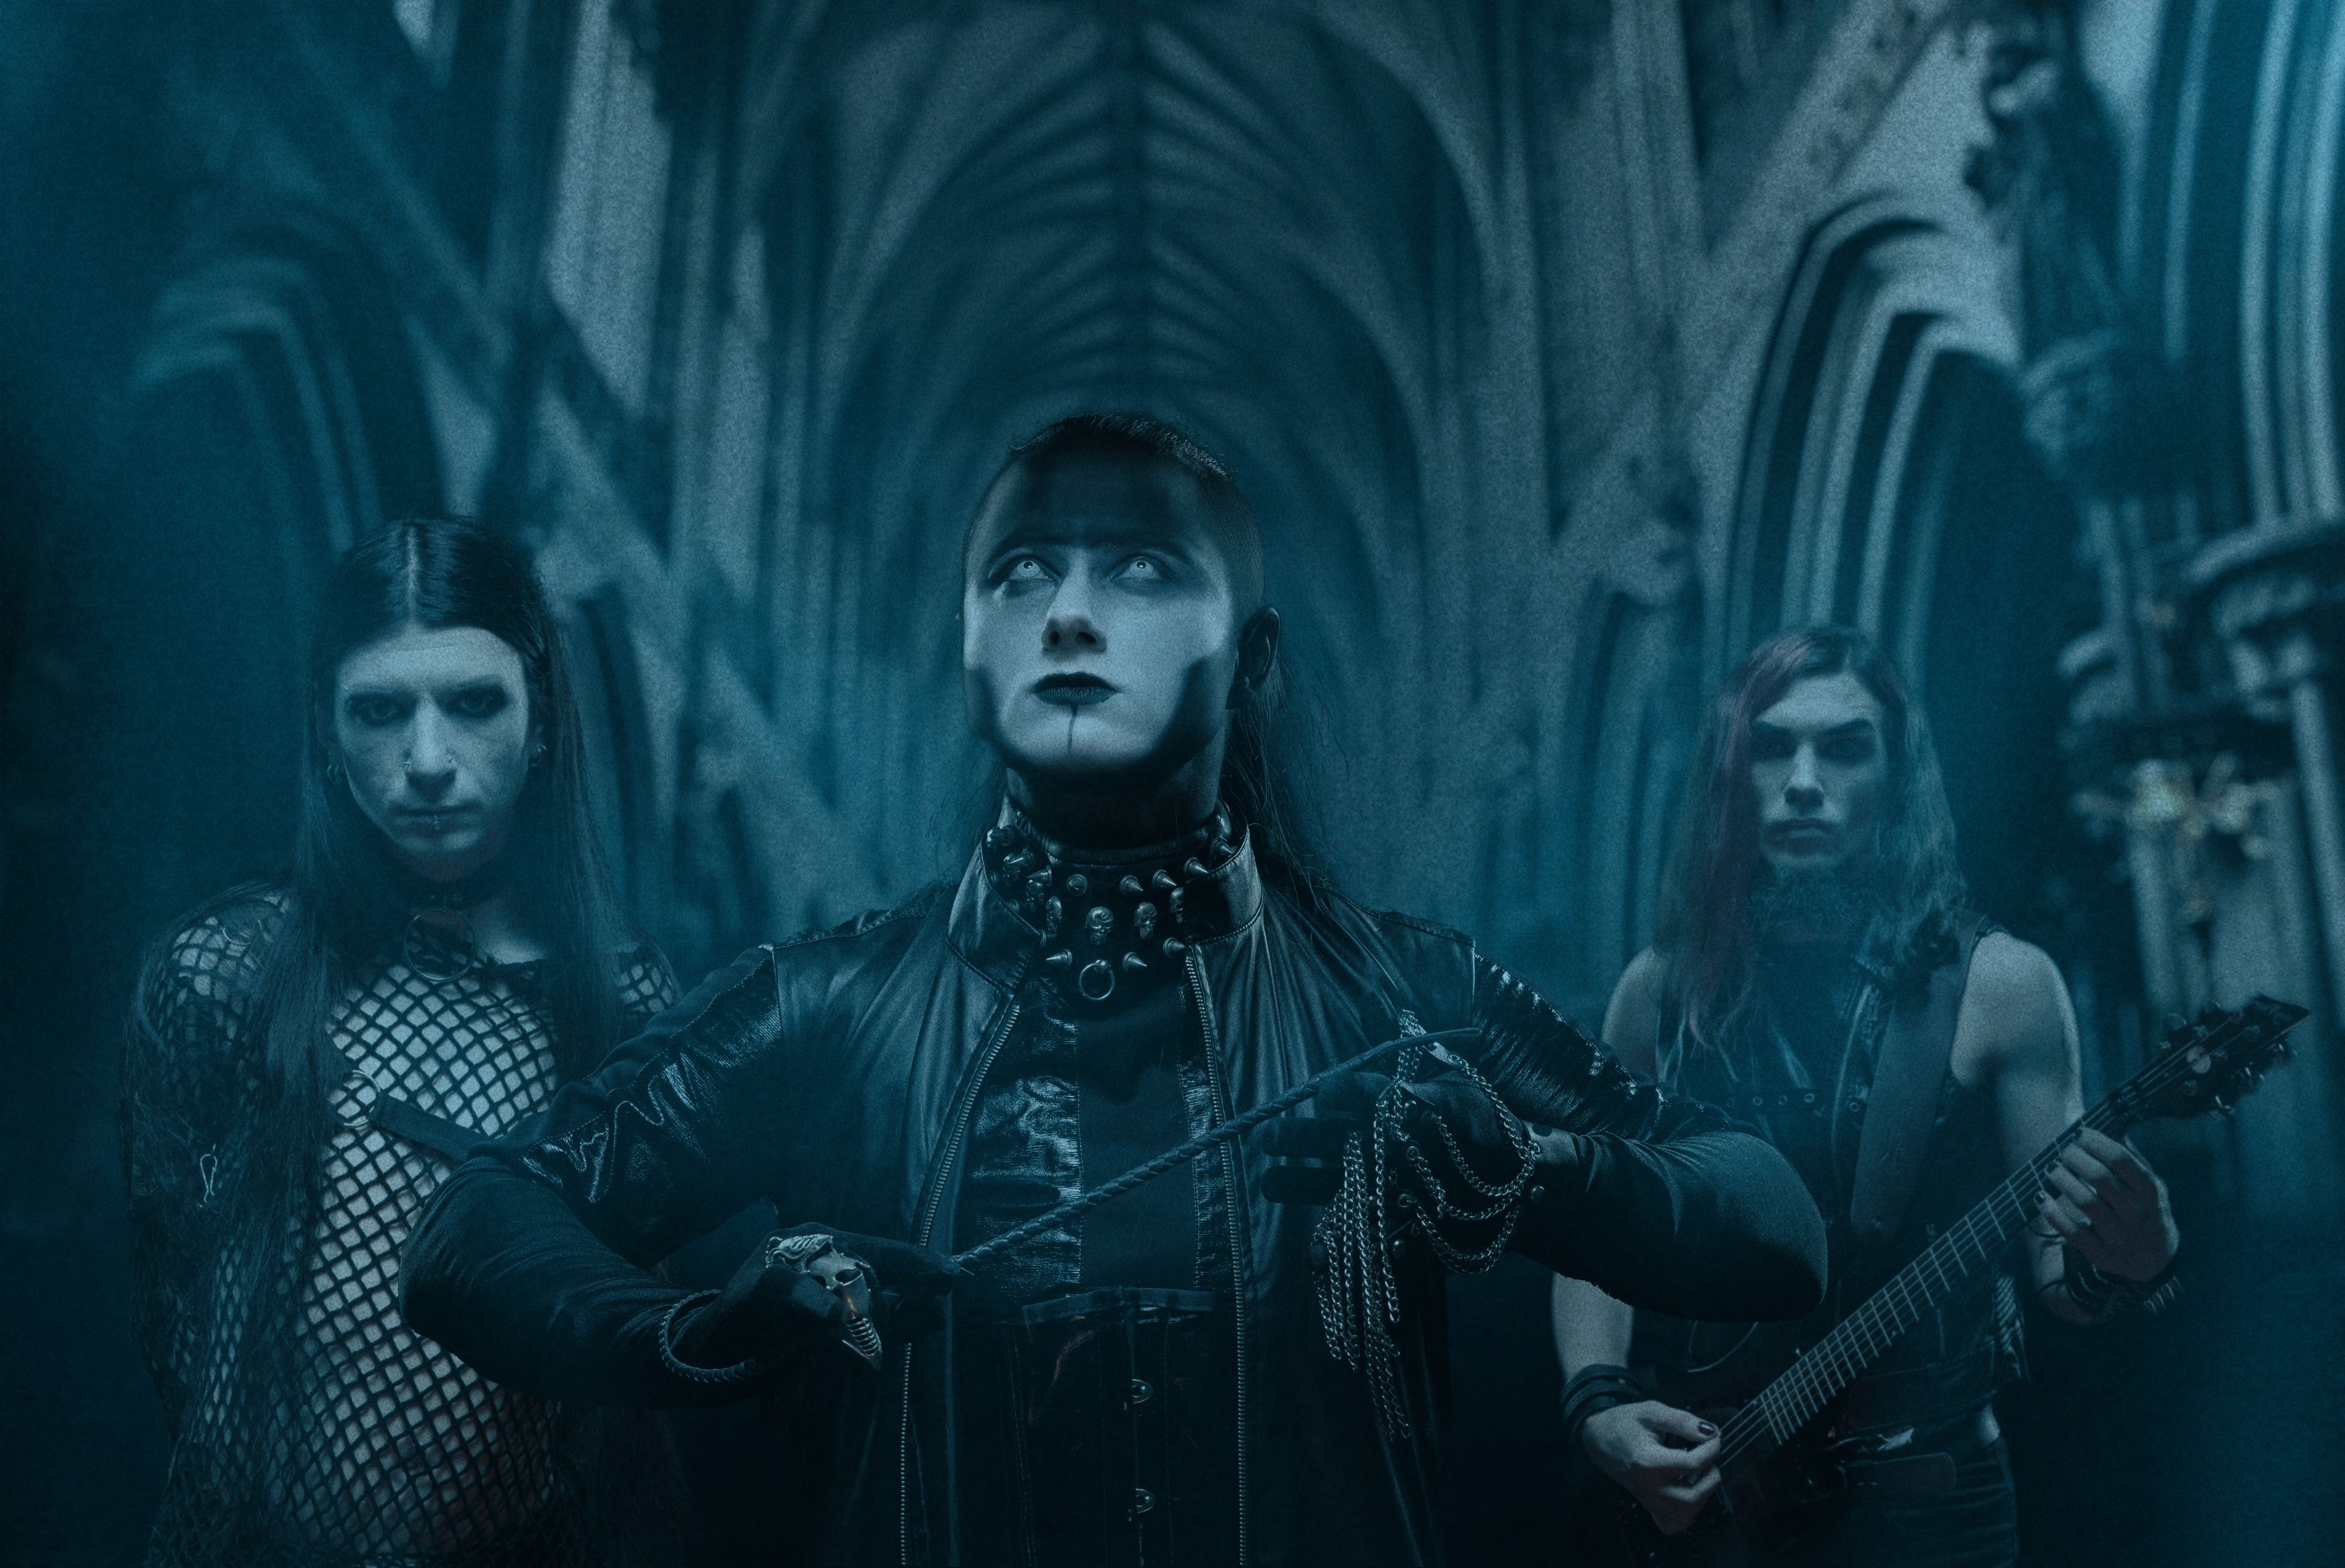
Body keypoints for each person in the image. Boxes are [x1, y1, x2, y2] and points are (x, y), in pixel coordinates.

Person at [402, 413, 1828, 1567]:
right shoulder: (823, 1005)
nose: (1069, 616)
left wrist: (1527, 1169)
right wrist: (702, 1329)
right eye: (1022, 575)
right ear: (970, 649)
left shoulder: (1408, 991)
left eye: (1142, 571)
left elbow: (1772, 1221)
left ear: (1252, 656)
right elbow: (475, 1221)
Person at [1551, 626, 2182, 1567]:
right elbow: (1599, 1233)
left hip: (1931, 1505)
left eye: (1845, 748)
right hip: (1712, 1499)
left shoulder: (2003, 986)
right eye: (1772, 746)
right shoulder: (1658, 994)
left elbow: (2064, 1281)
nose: (1805, 780)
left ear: (1898, 777)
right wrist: (1597, 1403)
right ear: (1731, 776)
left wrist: (2136, 1255)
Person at [123, 518, 683, 1567]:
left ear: (542, 717)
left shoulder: (626, 1005)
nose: (427, 762)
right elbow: (172, 1323)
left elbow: (625, 1372)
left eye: (474, 703)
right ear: (326, 729)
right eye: (380, 711)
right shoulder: (221, 976)